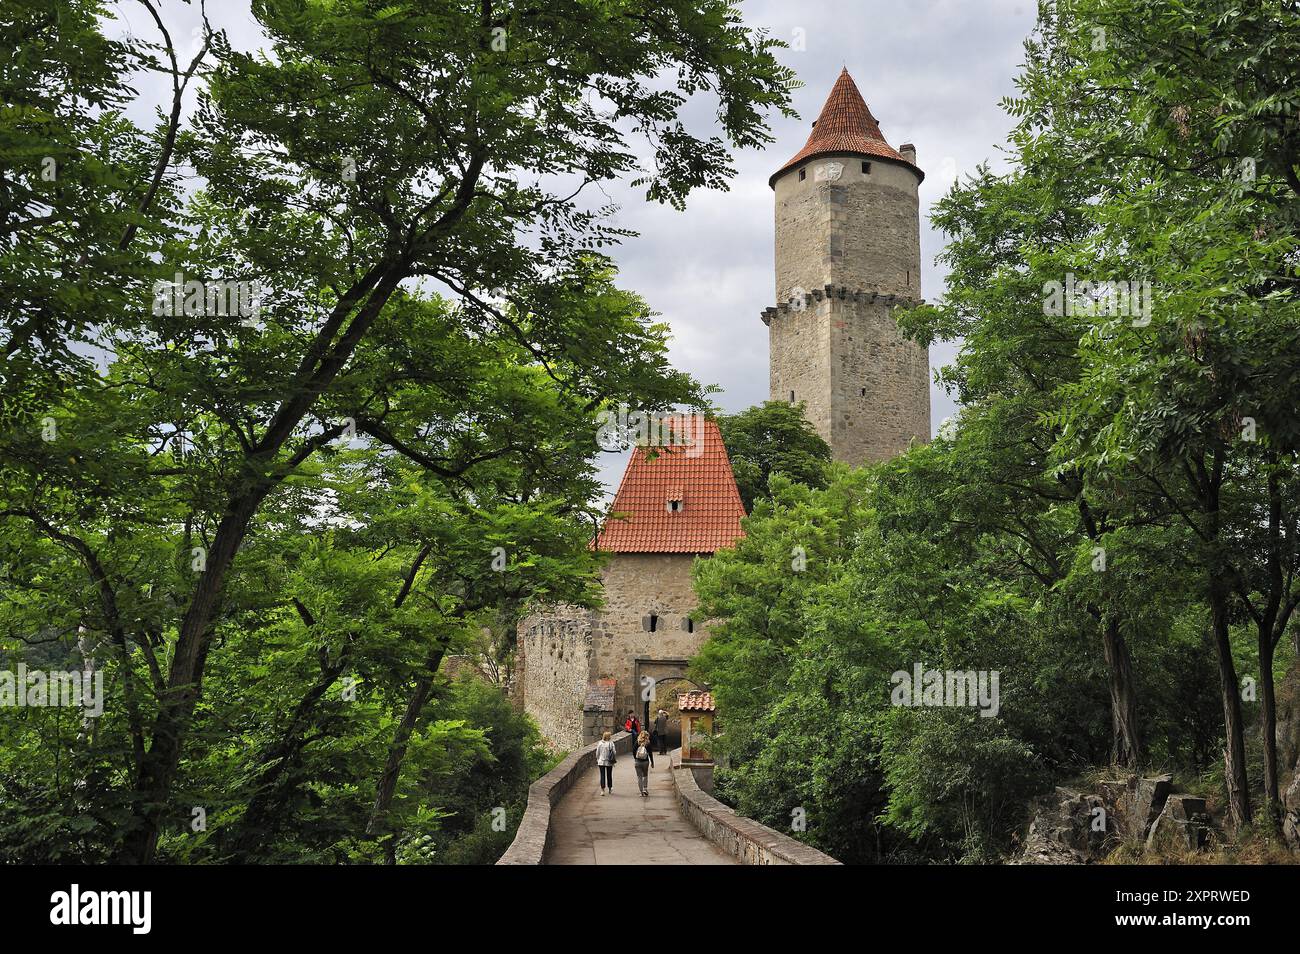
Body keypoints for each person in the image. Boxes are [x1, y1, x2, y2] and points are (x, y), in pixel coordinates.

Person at [595, 730, 617, 796]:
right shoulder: (611, 743)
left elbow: (597, 753)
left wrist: (598, 759)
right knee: (609, 775)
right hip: (609, 762)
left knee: (602, 775)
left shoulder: (600, 743)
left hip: (601, 761)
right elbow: (614, 752)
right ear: (609, 737)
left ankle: (602, 790)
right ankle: (610, 788)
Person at [634, 730, 652, 796]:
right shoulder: (648, 743)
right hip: (645, 762)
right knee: (645, 775)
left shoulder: (637, 742)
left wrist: (636, 759)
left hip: (638, 762)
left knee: (639, 777)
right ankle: (645, 788)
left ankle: (641, 792)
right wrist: (652, 762)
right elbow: (650, 753)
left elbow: (633, 751)